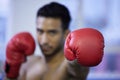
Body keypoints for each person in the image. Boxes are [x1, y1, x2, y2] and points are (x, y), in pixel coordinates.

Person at [5, 2, 104, 80]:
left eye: (52, 33)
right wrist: (11, 70)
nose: (44, 41)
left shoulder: (67, 67)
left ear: (66, 34)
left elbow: (77, 68)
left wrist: (82, 51)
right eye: (40, 31)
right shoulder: (27, 62)